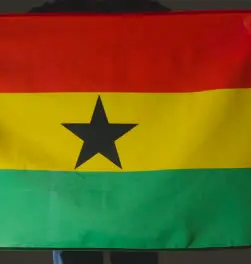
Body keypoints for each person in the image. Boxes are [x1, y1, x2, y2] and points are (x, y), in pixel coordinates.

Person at [28, 1, 170, 264]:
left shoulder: (152, 13)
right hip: (77, 142)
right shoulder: (47, 16)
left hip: (132, 138)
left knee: (128, 238)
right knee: (81, 239)